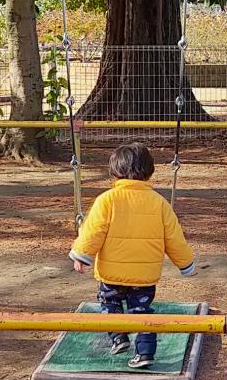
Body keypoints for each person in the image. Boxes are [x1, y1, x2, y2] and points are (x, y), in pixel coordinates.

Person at [69, 142, 198, 367]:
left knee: (109, 303)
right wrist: (186, 264)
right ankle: (145, 354)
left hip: (112, 273)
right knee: (141, 312)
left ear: (114, 171)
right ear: (150, 171)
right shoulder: (159, 203)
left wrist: (81, 256)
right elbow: (174, 238)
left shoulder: (107, 199)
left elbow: (93, 231)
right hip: (144, 276)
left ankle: (118, 337)